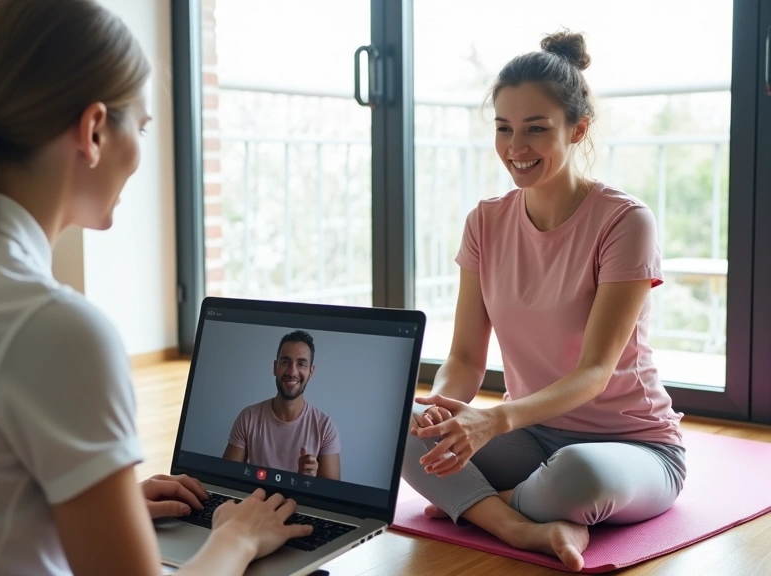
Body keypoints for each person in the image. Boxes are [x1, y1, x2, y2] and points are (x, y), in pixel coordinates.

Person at [0, 1, 313, 575]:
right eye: (139, 128)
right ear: (93, 130)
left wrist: (79, 507)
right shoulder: (52, 329)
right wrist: (237, 538)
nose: (140, 152)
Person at [403, 30, 686, 573]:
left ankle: (485, 503)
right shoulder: (485, 222)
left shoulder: (625, 222)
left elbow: (596, 372)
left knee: (579, 475)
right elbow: (464, 356)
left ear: (578, 129)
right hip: (531, 434)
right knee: (402, 424)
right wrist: (440, 410)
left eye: (536, 129)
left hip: (633, 447)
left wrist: (494, 421)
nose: (516, 147)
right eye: (504, 129)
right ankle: (520, 524)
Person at [223, 330, 342, 480]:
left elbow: (330, 497)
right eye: (285, 362)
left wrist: (311, 479)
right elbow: (226, 478)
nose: (292, 372)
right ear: (275, 367)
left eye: (301, 364)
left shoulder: (325, 427)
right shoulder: (248, 417)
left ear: (311, 372)